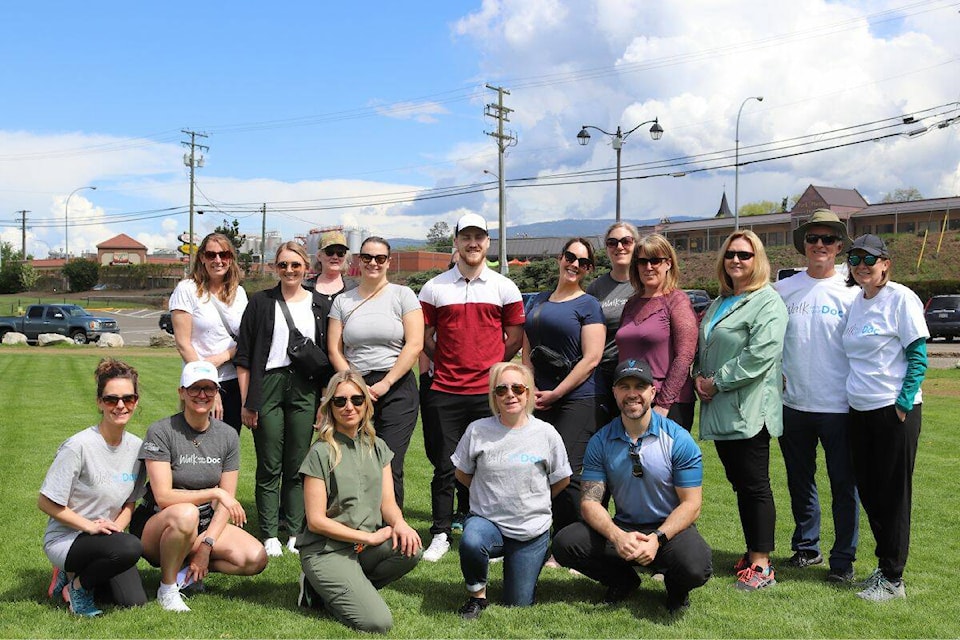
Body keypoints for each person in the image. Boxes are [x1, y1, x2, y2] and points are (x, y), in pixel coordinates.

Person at [554, 358, 712, 613]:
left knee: (695, 566)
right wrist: (618, 536)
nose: (632, 394)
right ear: (614, 392)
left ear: (652, 391)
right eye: (624, 386)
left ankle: (676, 589)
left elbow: (692, 505)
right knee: (567, 542)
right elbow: (589, 502)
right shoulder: (601, 441)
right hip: (625, 527)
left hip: (669, 531)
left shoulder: (678, 439)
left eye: (639, 386)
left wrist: (657, 539)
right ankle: (623, 581)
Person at [418, 213, 525, 562]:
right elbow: (425, 337)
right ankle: (440, 532)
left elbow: (515, 337)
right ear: (457, 242)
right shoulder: (435, 287)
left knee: (490, 465)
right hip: (445, 390)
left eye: (479, 237)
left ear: (488, 243)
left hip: (487, 393)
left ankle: (487, 531)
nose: (473, 243)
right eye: (466, 237)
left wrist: (493, 367)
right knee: (445, 466)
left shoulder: (503, 286)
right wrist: (446, 360)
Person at [131, 361, 267, 612]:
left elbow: (226, 502)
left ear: (217, 393)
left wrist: (207, 546)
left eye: (209, 389)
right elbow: (163, 497)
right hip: (158, 523)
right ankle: (168, 588)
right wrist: (215, 493)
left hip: (202, 524)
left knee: (255, 558)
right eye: (194, 388)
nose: (202, 395)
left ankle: (187, 570)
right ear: (181, 392)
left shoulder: (227, 436)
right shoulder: (161, 431)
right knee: (186, 512)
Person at [693, 230, 787, 591]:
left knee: (755, 485)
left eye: (745, 255)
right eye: (731, 254)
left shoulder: (768, 302)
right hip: (722, 408)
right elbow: (707, 347)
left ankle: (762, 566)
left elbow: (760, 355)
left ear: (757, 260)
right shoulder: (721, 302)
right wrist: (698, 376)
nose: (736, 260)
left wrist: (716, 381)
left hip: (750, 410)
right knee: (741, 484)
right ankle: (751, 553)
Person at [297, 371, 422, 633]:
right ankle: (319, 584)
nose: (349, 407)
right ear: (330, 406)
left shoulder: (377, 446)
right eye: (340, 401)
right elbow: (316, 522)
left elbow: (388, 502)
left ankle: (334, 591)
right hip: (326, 550)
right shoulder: (321, 451)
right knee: (378, 622)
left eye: (356, 399)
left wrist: (401, 524)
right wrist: (370, 539)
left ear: (366, 403)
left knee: (411, 547)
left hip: (361, 548)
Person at [774, 210, 860, 582]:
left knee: (844, 486)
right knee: (800, 482)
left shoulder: (852, 292)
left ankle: (843, 561)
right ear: (803, 246)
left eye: (828, 239)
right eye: (813, 239)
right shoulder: (784, 290)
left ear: (840, 246)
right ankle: (807, 549)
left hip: (840, 406)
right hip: (794, 405)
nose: (820, 245)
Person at [842, 234, 928, 602]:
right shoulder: (857, 302)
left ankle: (894, 580)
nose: (862, 265)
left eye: (869, 259)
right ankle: (883, 565)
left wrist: (904, 402)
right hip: (859, 411)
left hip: (892, 412)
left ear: (885, 264)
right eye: (855, 258)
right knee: (872, 493)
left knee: (893, 495)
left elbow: (918, 355)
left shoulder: (901, 298)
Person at [451, 363, 572, 619]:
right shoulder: (477, 430)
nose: (510, 394)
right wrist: (487, 495)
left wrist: (535, 500)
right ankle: (477, 597)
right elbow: (461, 473)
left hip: (530, 529)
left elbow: (562, 479)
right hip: (487, 523)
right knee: (472, 540)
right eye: (501, 389)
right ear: (493, 395)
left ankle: (526, 571)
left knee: (517, 604)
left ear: (528, 393)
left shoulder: (546, 433)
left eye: (517, 388)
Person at [235, 242, 333, 557]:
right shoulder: (260, 302)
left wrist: (322, 402)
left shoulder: (320, 304)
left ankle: (293, 529)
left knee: (297, 463)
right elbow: (245, 357)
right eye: (283, 265)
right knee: (269, 463)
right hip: (269, 384)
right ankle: (268, 533)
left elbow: (325, 359)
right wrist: (247, 401)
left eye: (295, 265)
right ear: (274, 268)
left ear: (306, 267)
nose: (289, 271)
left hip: (305, 386)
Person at [39, 359, 147, 617]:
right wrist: (90, 527)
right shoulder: (78, 446)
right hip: (68, 538)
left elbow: (130, 503)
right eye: (111, 399)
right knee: (131, 547)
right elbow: (45, 502)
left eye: (128, 398)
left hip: (107, 538)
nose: (120, 405)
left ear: (136, 401)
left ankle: (71, 577)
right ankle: (76, 586)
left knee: (133, 601)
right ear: (99, 402)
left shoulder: (137, 448)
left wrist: (116, 530)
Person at [327, 236, 423, 507]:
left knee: (390, 461)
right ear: (358, 260)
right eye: (367, 257)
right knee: (354, 461)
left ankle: (392, 531)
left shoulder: (403, 295)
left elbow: (414, 344)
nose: (373, 263)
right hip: (354, 390)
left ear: (388, 262)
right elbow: (335, 349)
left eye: (380, 258)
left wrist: (386, 383)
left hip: (396, 386)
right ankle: (356, 525)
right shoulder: (343, 301)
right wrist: (354, 386)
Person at [522, 237, 605, 536]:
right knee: (538, 468)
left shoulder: (588, 304)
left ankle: (573, 540)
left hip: (578, 398)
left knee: (567, 472)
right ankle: (537, 535)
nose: (575, 265)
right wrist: (529, 389)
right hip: (538, 397)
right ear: (560, 258)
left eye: (583, 263)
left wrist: (557, 393)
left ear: (589, 269)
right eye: (571, 257)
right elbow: (527, 349)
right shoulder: (538, 300)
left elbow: (592, 358)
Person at [616, 233, 698, 430]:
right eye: (642, 261)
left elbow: (685, 356)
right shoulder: (631, 303)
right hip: (632, 401)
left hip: (668, 403)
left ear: (668, 263)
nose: (649, 267)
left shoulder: (677, 301)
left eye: (655, 260)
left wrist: (663, 404)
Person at [170, 232, 248, 432]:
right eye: (211, 255)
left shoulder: (239, 293)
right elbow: (183, 344)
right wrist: (207, 385)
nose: (218, 260)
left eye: (224, 255)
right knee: (197, 446)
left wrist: (221, 358)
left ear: (231, 258)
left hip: (232, 381)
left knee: (226, 446)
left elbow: (246, 340)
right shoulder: (186, 289)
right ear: (202, 258)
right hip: (198, 383)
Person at [587, 222, 641, 421]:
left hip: (642, 372)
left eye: (626, 241)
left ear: (636, 245)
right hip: (606, 372)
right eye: (612, 242)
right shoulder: (596, 288)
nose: (619, 247)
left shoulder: (646, 282)